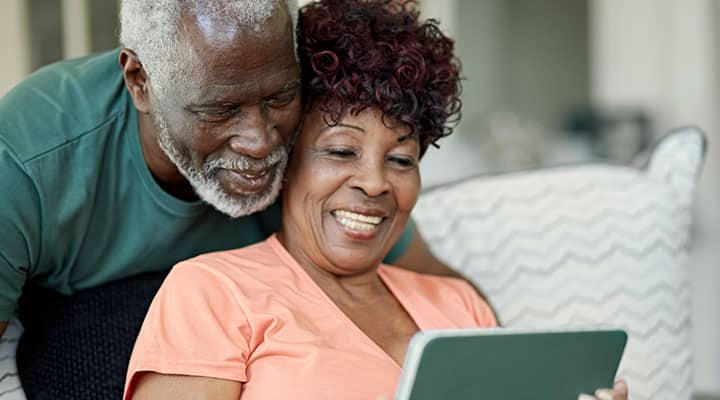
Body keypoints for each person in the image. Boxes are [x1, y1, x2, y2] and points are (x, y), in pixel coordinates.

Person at [124, 1, 628, 399]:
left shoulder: (460, 307)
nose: (375, 183)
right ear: (288, 160)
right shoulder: (212, 292)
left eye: (401, 160)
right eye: (341, 150)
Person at [0, 1, 468, 395]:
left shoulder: (318, 161)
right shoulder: (26, 162)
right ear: (139, 81)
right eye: (220, 110)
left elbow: (436, 299)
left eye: (279, 98)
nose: (261, 142)